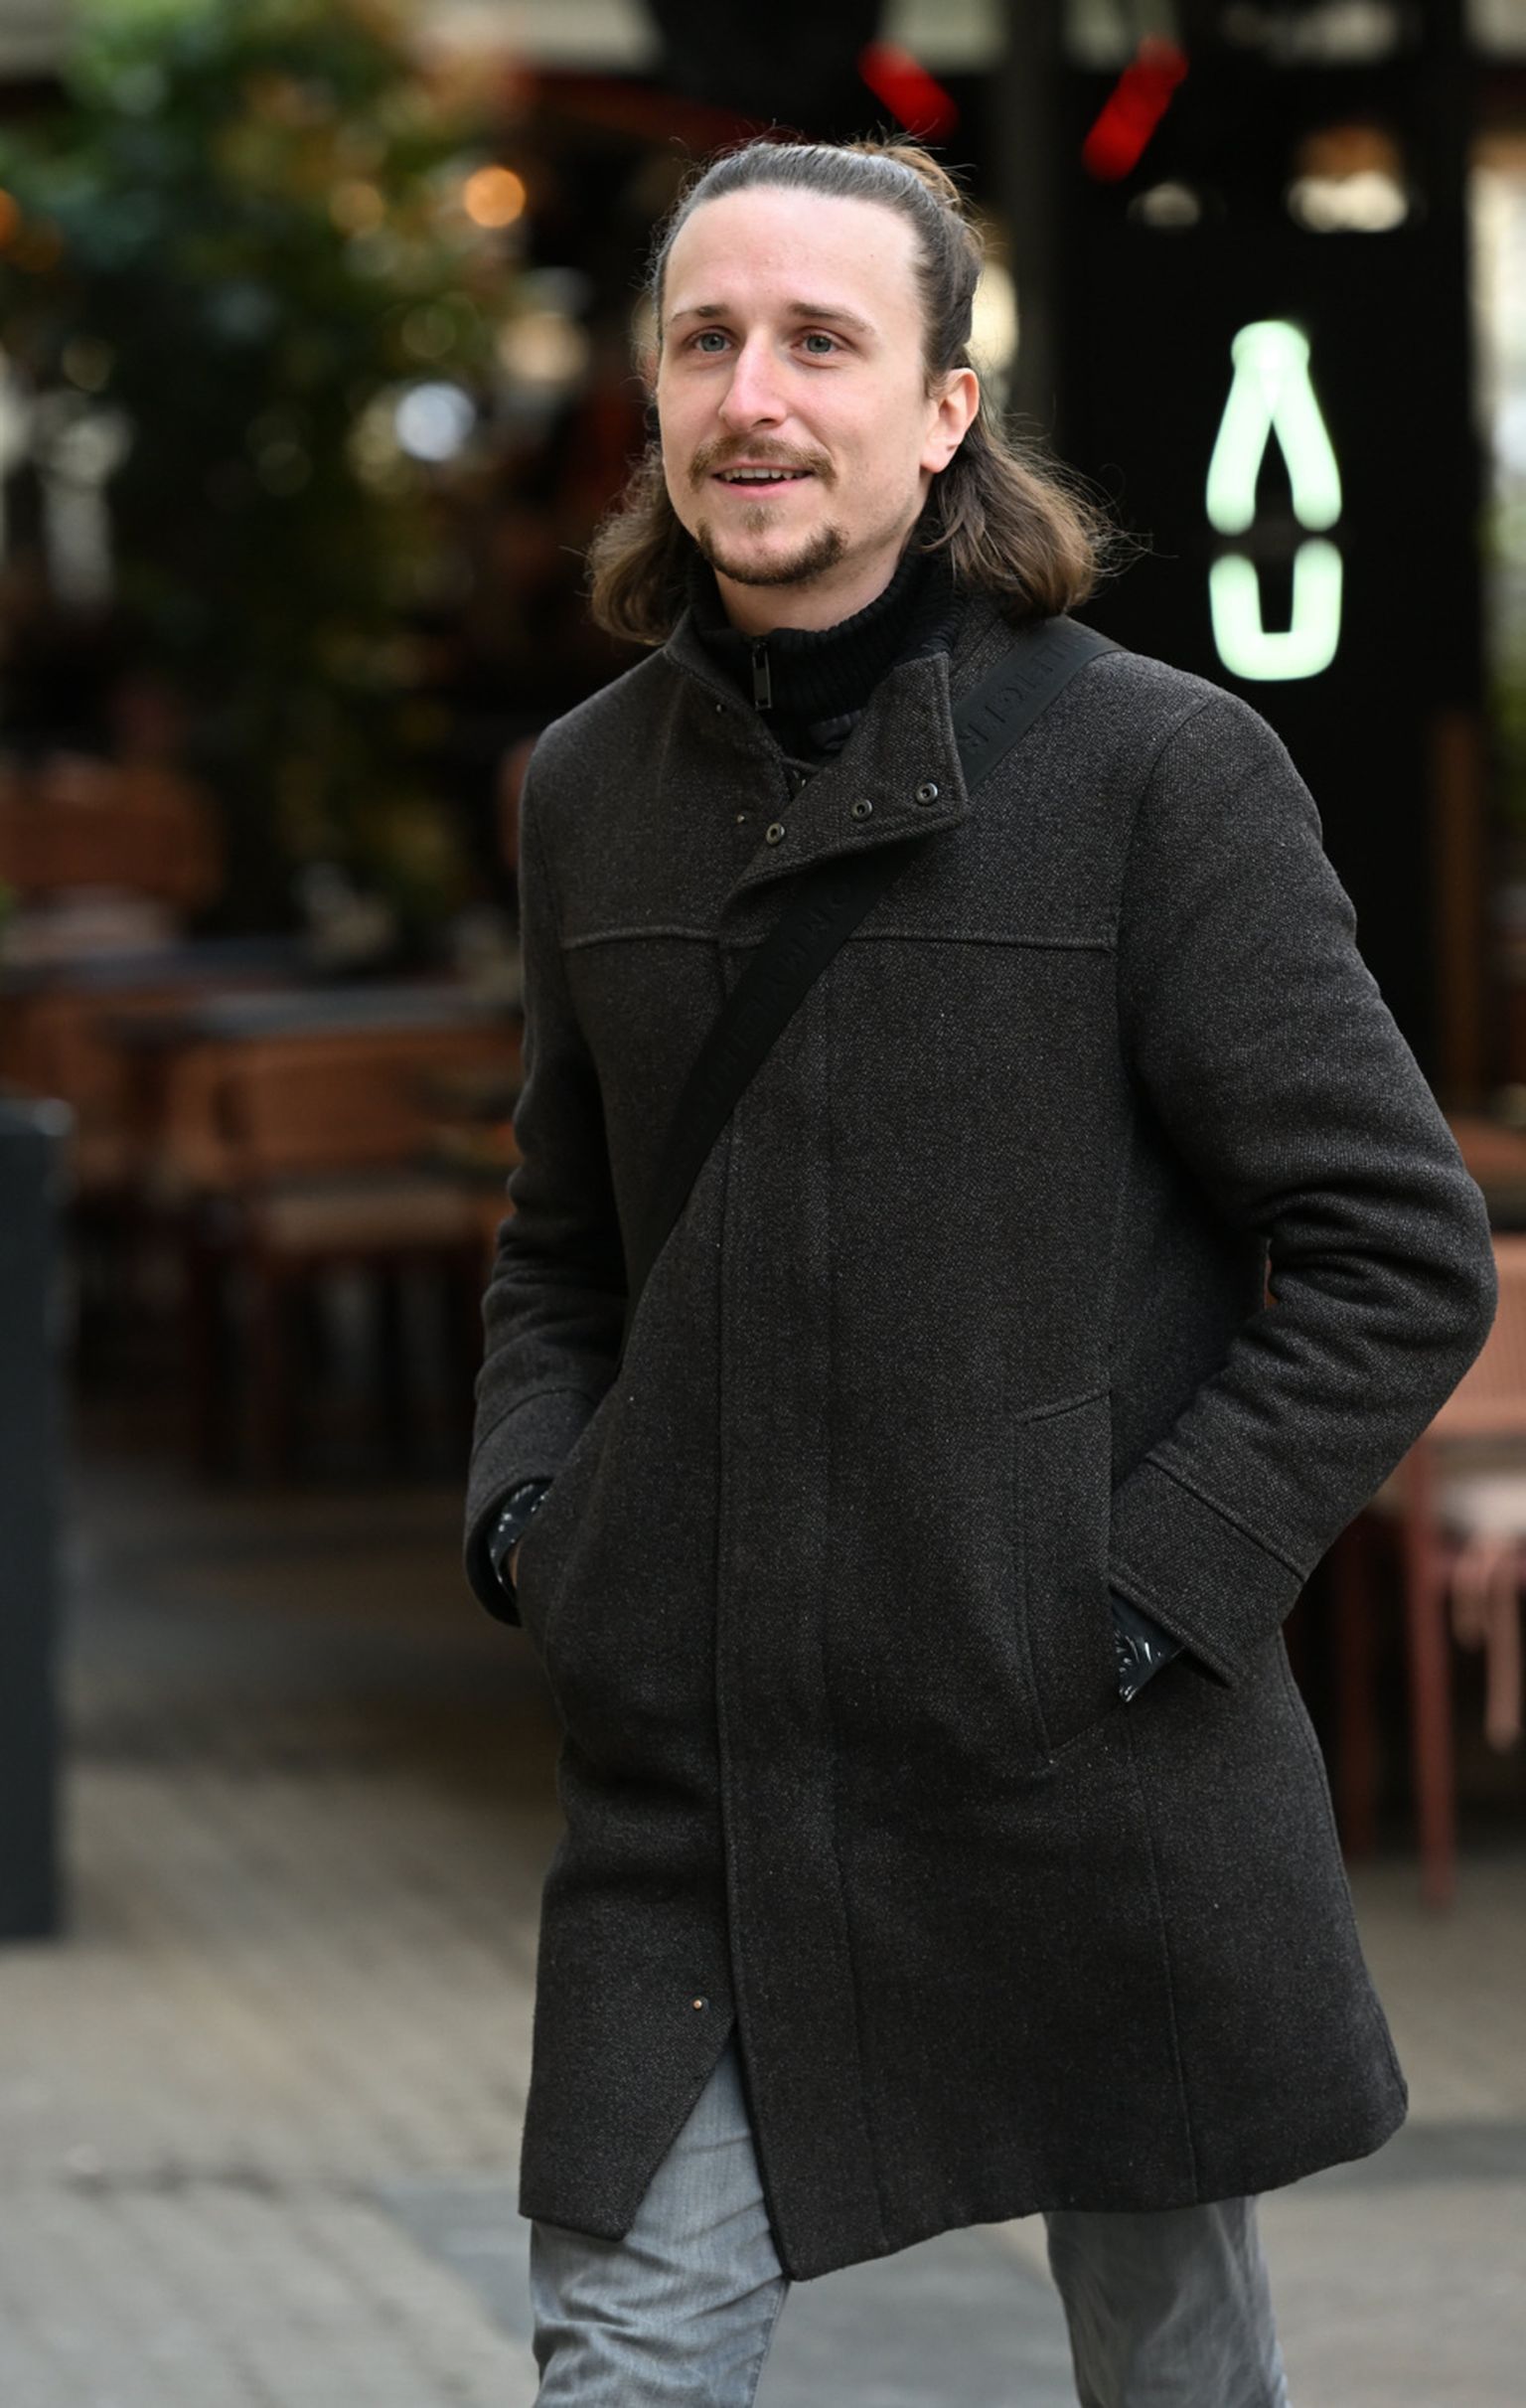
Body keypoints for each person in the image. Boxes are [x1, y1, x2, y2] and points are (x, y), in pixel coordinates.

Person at [464, 136, 1496, 2408]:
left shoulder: (1158, 770)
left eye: (820, 343)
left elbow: (1396, 1249)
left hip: (1075, 1762)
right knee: (621, 2362)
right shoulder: (587, 790)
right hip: (702, 1775)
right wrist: (543, 1521)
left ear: (945, 412)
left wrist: (1126, 1597)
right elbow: (561, 1245)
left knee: (1172, 2369)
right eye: (706, 340)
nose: (753, 395)